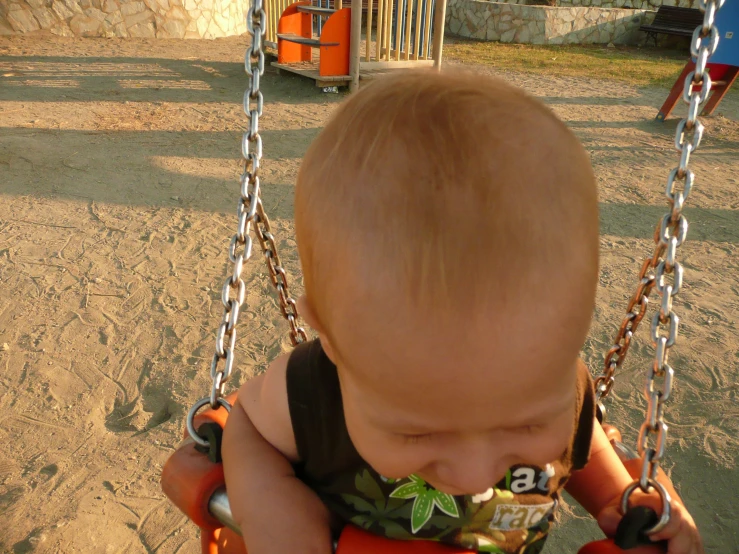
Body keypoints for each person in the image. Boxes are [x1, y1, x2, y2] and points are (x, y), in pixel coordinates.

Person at [221, 69, 703, 554]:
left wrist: (617, 498)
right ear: (330, 336)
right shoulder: (310, 394)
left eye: (527, 426)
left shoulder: (559, 384)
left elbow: (587, 442)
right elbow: (246, 428)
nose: (474, 473)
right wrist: (270, 501)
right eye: (416, 432)